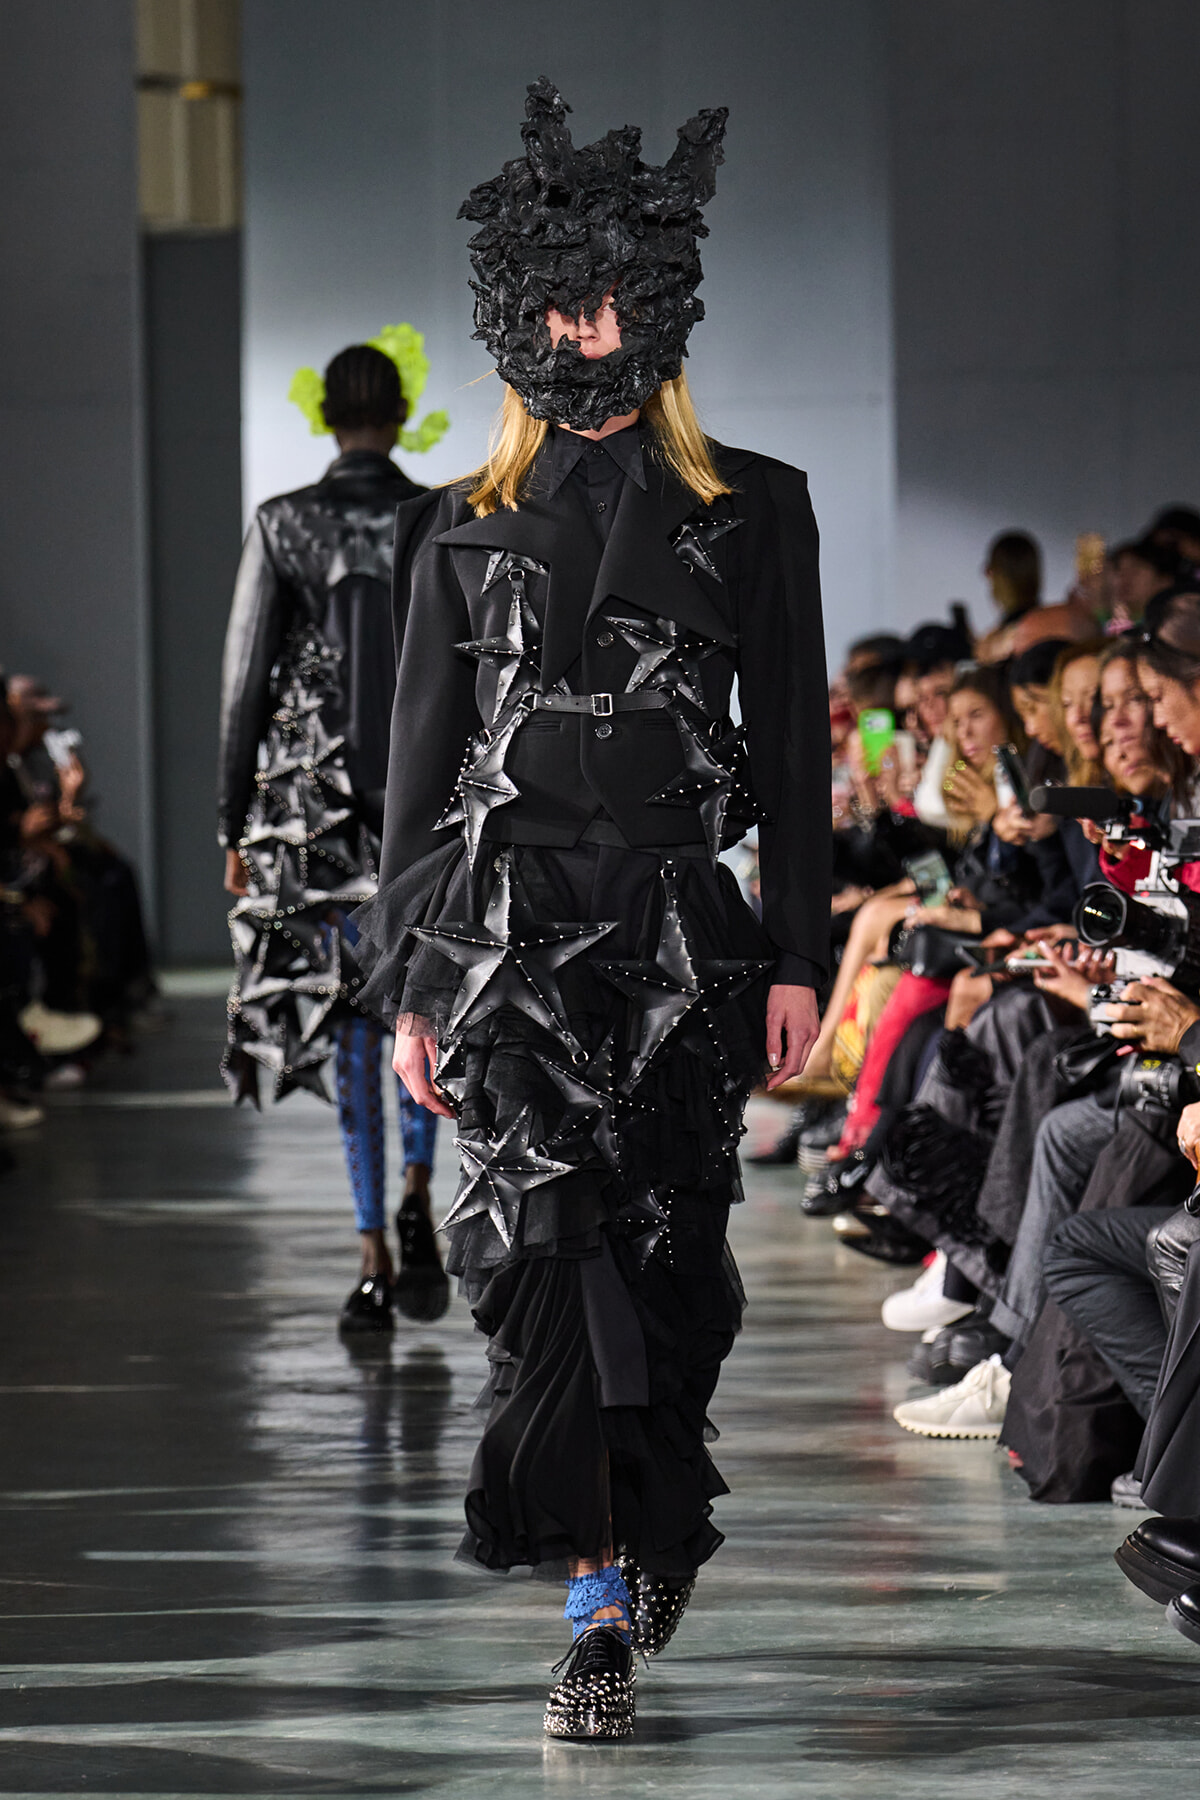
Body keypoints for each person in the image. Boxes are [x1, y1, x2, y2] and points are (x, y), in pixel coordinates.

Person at [352, 80, 829, 1741]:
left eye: (617, 298)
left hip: (684, 941)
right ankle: (596, 1593)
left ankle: (656, 1517)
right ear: (514, 318)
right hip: (499, 944)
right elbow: (415, 781)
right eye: (561, 301)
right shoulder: (462, 527)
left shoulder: (749, 505)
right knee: (536, 1269)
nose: (590, 327)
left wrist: (803, 953)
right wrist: (407, 982)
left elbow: (795, 741)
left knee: (666, 1262)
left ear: (665, 309)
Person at [217, 333, 451, 1333]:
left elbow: (245, 684)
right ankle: (414, 1186)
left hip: (313, 821)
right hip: (422, 807)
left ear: (325, 415)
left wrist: (235, 821)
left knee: (349, 1020)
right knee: (420, 1009)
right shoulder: (441, 515)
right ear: (399, 414)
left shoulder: (282, 525)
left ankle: (368, 1252)